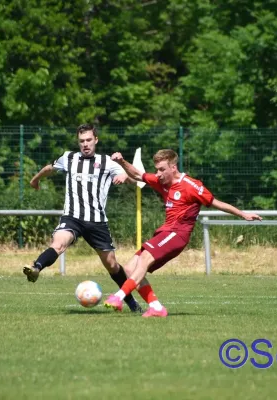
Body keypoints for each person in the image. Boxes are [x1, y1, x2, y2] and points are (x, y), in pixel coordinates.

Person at [102, 149, 262, 317]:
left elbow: (216, 202)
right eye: (157, 169)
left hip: (177, 234)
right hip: (165, 232)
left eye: (162, 169)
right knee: (129, 267)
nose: (158, 173)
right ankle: (156, 307)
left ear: (173, 167)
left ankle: (118, 297)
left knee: (144, 259)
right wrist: (122, 162)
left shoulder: (192, 186)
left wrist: (243, 214)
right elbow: (137, 174)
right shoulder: (160, 181)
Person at [22, 124, 143, 313]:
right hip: (73, 217)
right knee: (59, 243)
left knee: (111, 265)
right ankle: (36, 267)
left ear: (96, 140)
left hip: (96, 221)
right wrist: (35, 179)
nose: (85, 144)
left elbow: (133, 178)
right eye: (81, 141)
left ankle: (132, 303)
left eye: (88, 140)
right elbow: (49, 168)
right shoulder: (69, 158)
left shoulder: (107, 161)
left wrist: (123, 174)